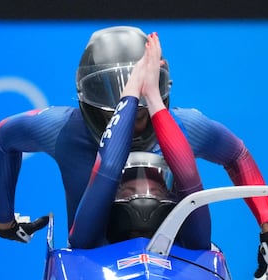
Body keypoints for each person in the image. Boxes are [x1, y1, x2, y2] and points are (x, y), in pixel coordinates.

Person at [0, 25, 268, 280]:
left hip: (176, 263)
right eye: (123, 114)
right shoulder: (63, 129)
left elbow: (236, 154)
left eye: (141, 113)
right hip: (92, 259)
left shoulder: (184, 126)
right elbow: (5, 136)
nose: (134, 123)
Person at [68, 32, 209, 250]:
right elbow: (109, 166)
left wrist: (150, 94)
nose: (143, 198)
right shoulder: (87, 242)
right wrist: (136, 87)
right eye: (129, 191)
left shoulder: (194, 243)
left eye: (155, 191)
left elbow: (189, 178)